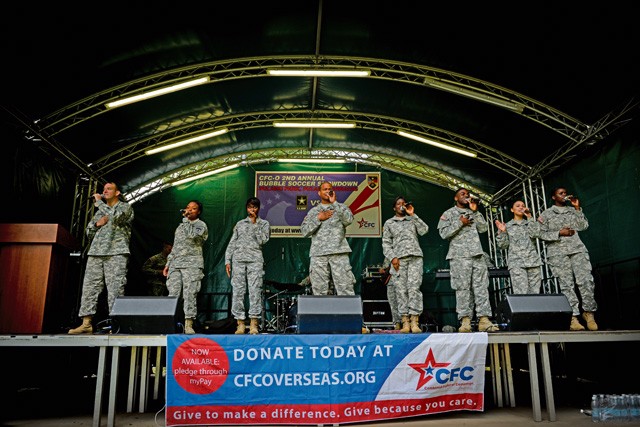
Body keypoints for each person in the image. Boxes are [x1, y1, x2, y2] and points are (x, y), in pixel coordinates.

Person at [69, 182, 134, 335]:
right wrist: (97, 224)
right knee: (90, 287)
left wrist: (99, 203)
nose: (104, 191)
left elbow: (116, 217)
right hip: (96, 253)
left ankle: (116, 325)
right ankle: (86, 324)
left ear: (117, 193)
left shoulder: (125, 207)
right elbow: (88, 233)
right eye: (104, 189)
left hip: (116, 253)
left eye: (109, 189)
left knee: (115, 289)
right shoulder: (99, 212)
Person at [437, 188, 499, 333]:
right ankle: (465, 321)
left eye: (467, 194)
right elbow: (443, 233)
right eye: (462, 194)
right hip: (459, 257)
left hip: (477, 255)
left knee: (481, 288)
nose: (466, 196)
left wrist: (475, 211)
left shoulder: (474, 211)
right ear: (456, 198)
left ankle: (484, 320)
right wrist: (460, 223)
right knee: (463, 289)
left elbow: (483, 228)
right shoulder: (449, 213)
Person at [538, 187, 598, 331]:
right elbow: (539, 234)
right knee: (567, 285)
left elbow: (583, 226)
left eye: (565, 193)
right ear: (553, 197)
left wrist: (577, 208)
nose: (564, 195)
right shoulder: (546, 214)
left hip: (577, 250)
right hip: (558, 253)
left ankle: (588, 313)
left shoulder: (573, 210)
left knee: (586, 281)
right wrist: (559, 233)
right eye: (561, 193)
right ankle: (573, 318)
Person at [381, 196, 429, 333]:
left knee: (414, 288)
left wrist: (413, 214)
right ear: (394, 208)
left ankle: (415, 321)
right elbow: (386, 244)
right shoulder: (389, 223)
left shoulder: (412, 219)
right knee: (400, 290)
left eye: (404, 203)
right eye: (398, 204)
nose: (402, 205)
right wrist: (392, 258)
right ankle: (405, 322)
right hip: (399, 260)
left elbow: (424, 230)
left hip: (415, 258)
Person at [301, 181, 356, 296]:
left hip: (339, 252)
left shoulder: (341, 207)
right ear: (319, 193)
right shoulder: (314, 212)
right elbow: (304, 231)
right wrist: (318, 218)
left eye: (329, 189)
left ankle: (347, 314)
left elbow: (348, 220)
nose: (327, 191)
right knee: (319, 291)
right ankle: (320, 314)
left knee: (345, 288)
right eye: (324, 189)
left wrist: (334, 203)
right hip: (318, 254)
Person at [225, 197, 271, 335]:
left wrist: (254, 224)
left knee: (254, 291)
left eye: (255, 207)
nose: (252, 209)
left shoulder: (264, 224)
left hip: (255, 261)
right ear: (246, 208)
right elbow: (232, 242)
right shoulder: (239, 224)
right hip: (238, 260)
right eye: (250, 207)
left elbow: (263, 240)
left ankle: (253, 323)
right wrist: (228, 260)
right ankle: (240, 323)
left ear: (258, 209)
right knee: (238, 291)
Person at [163, 200, 208, 335]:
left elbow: (193, 236)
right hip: (176, 264)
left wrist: (186, 220)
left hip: (192, 265)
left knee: (190, 294)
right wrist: (168, 263)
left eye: (193, 209)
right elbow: (175, 247)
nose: (189, 210)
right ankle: (170, 323)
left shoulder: (200, 225)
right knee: (173, 294)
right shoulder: (180, 226)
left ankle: (188, 324)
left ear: (198, 212)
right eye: (188, 208)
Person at [495, 200, 543, 294]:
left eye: (523, 206)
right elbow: (502, 245)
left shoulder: (530, 222)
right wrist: (502, 232)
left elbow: (536, 234)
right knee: (521, 293)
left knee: (535, 293)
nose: (521, 207)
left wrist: (529, 216)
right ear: (512, 210)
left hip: (533, 262)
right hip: (517, 263)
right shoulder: (507, 226)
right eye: (517, 206)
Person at [379, 258, 401, 330]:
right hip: (390, 283)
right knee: (393, 303)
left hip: (401, 281)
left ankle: (405, 322)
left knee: (403, 302)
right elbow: (384, 267)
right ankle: (396, 323)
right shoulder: (388, 253)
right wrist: (383, 270)